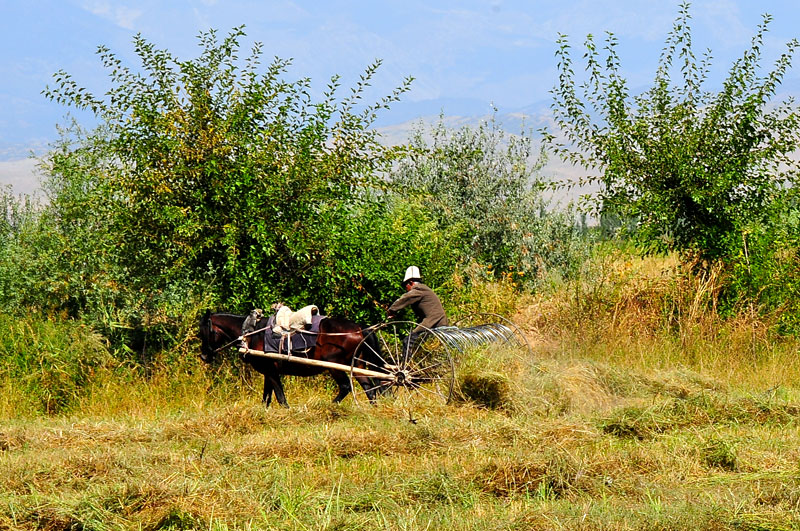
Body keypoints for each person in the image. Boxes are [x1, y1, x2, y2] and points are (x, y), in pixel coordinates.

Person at [386, 266, 449, 354]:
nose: (406, 289)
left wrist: (392, 310)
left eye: (406, 285)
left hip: (433, 321)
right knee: (419, 343)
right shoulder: (425, 289)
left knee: (408, 341)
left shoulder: (418, 289)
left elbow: (405, 298)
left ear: (411, 283)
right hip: (439, 321)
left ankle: (406, 366)